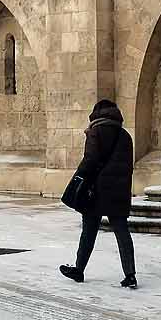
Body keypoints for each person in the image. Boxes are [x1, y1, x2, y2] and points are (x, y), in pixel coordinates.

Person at [60, 99, 138, 289]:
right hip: (118, 191)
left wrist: (79, 179)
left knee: (88, 231)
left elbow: (90, 160)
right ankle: (130, 274)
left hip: (96, 190)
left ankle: (79, 269)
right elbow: (128, 167)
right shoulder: (125, 136)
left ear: (96, 114)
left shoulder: (96, 132)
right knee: (122, 231)